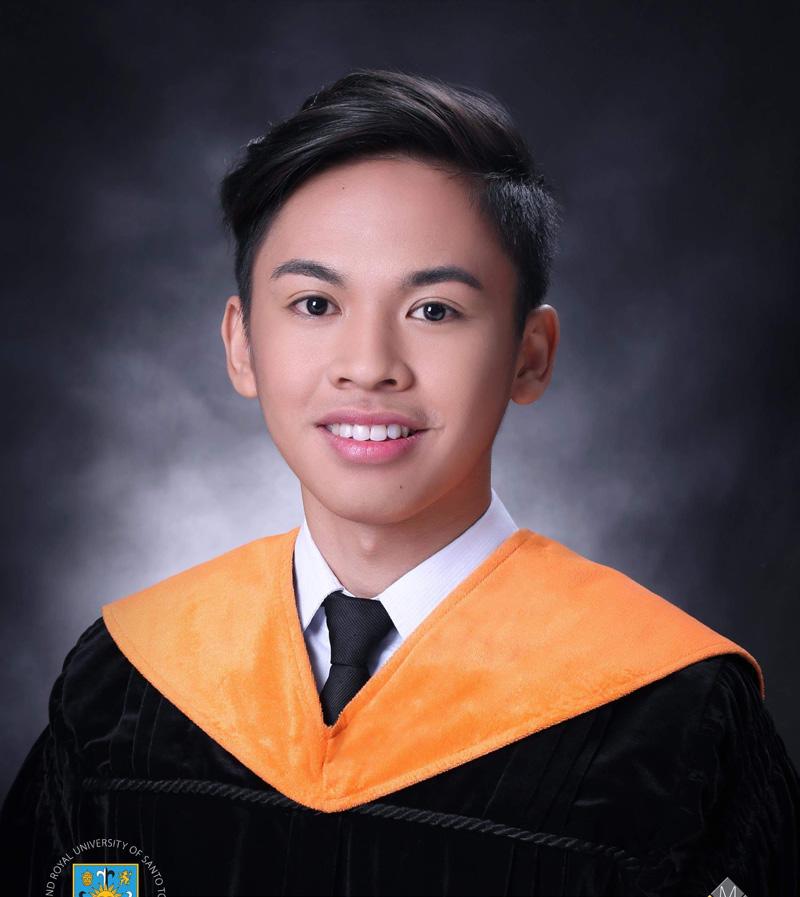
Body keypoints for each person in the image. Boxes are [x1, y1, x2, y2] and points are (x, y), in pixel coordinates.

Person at [2, 68, 798, 897]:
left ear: (530, 355)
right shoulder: (123, 687)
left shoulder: (674, 717)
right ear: (241, 345)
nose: (369, 365)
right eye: (315, 304)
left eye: (434, 310)